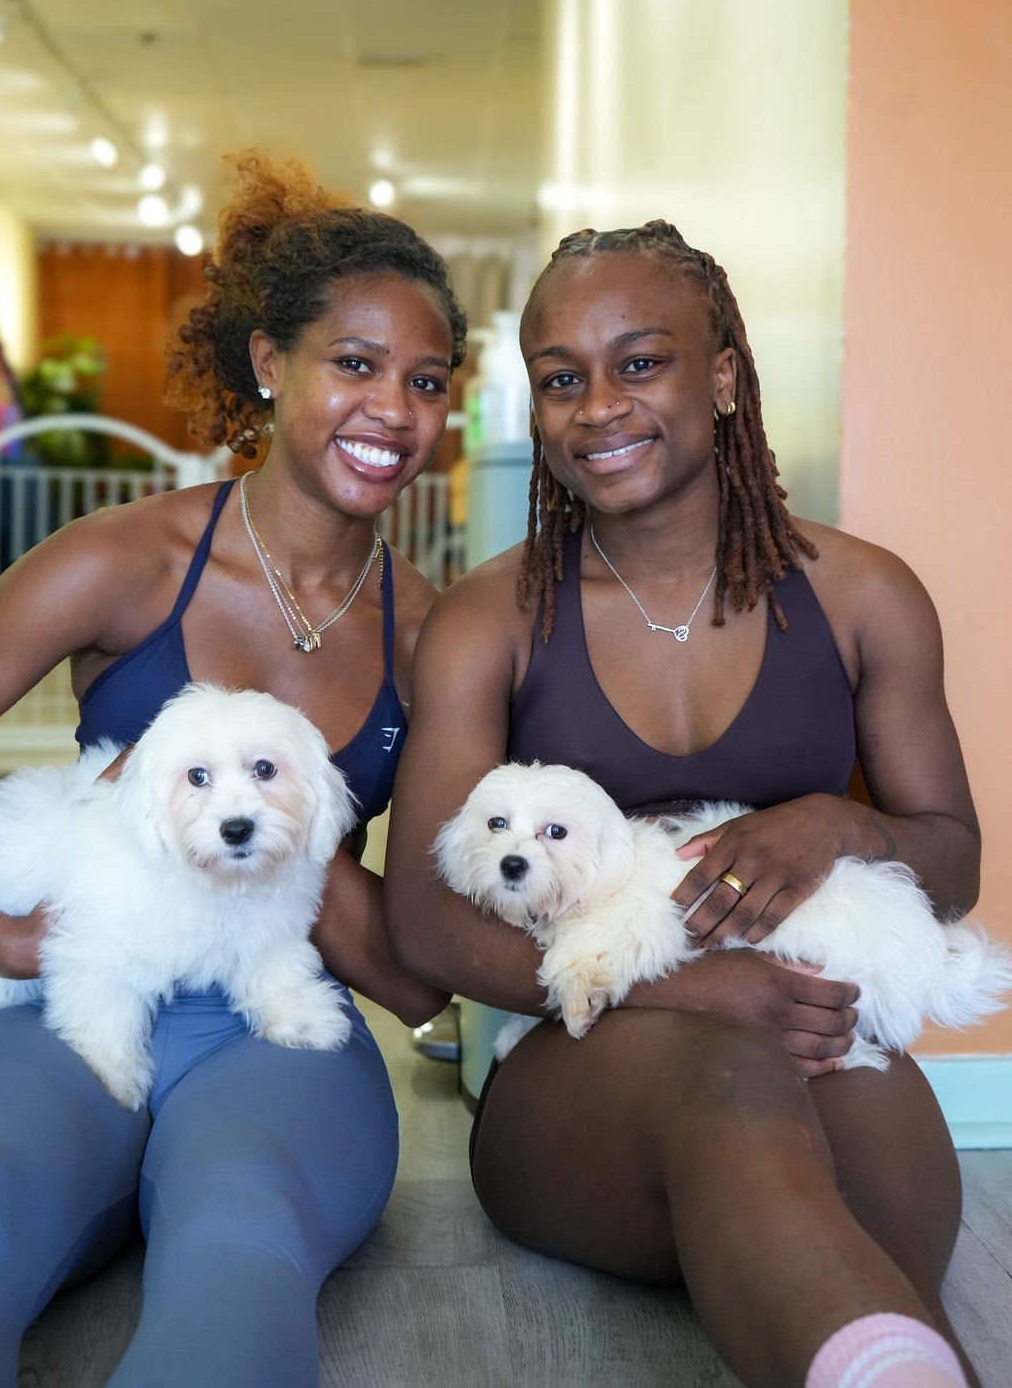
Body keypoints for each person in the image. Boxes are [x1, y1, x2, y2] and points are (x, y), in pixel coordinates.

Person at [384, 220, 983, 1388]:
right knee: (728, 1075)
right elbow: (423, 916)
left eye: (640, 362)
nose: (597, 405)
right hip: (580, 1062)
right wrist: (689, 983)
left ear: (720, 374)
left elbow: (949, 857)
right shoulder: (489, 618)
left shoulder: (865, 595)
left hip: (816, 1026)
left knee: (871, 1188)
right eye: (561, 380)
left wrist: (836, 822)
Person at [0, 151, 464, 1388]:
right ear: (270, 363)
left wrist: (442, 1000)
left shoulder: (432, 630)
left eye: (425, 381)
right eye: (354, 366)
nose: (393, 411)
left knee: (237, 1242)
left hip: (274, 1019)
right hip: (73, 995)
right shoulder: (122, 561)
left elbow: (416, 921)